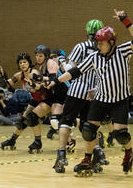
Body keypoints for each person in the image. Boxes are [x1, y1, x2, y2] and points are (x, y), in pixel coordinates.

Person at [54, 9, 133, 176]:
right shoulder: (94, 57)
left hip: (120, 100)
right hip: (101, 99)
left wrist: (125, 20)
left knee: (121, 135)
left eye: (101, 43)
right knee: (88, 129)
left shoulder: (123, 52)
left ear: (111, 43)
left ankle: (129, 152)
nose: (98, 46)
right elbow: (75, 71)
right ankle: (87, 159)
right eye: (97, 43)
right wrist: (56, 80)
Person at [48, 19, 106, 173]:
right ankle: (97, 152)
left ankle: (61, 155)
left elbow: (71, 69)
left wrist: (61, 61)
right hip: (94, 91)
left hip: (77, 88)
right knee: (90, 125)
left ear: (87, 31)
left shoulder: (81, 46)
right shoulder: (103, 49)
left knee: (65, 121)